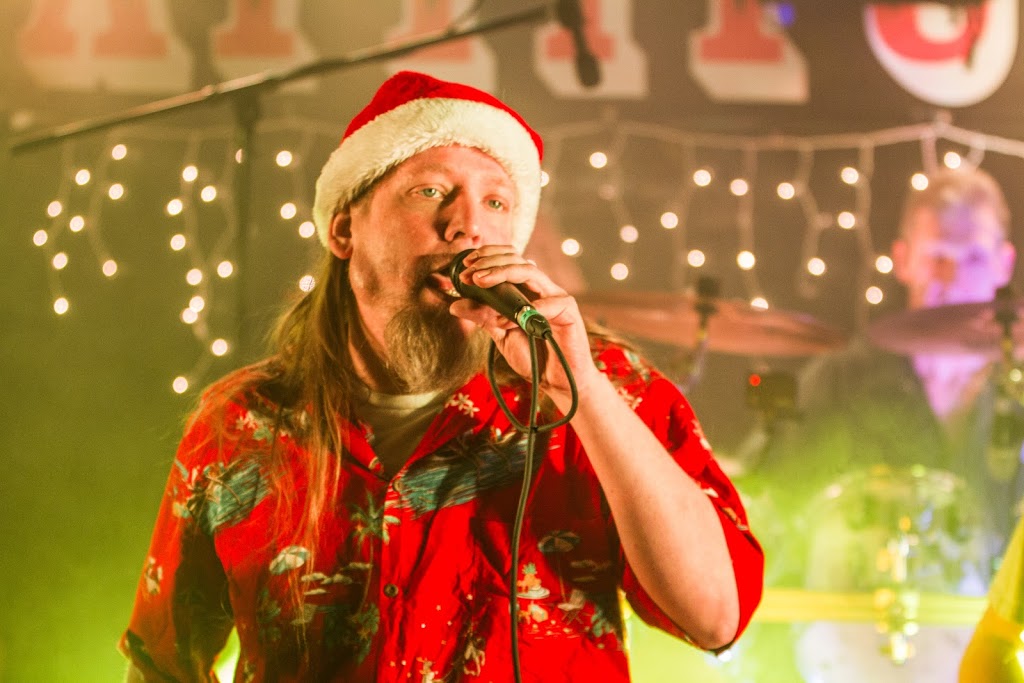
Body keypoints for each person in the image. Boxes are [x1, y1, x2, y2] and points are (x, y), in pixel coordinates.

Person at [119, 71, 764, 682]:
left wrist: (584, 394)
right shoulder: (241, 423)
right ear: (344, 230)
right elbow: (163, 662)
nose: (467, 224)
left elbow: (715, 617)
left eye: (495, 201)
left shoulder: (607, 387)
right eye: (430, 191)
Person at [746, 165, 1021, 682]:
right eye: (937, 256)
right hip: (851, 652)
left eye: (973, 258)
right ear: (903, 260)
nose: (953, 279)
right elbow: (775, 504)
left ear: (1004, 264)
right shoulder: (841, 379)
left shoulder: (1018, 392)